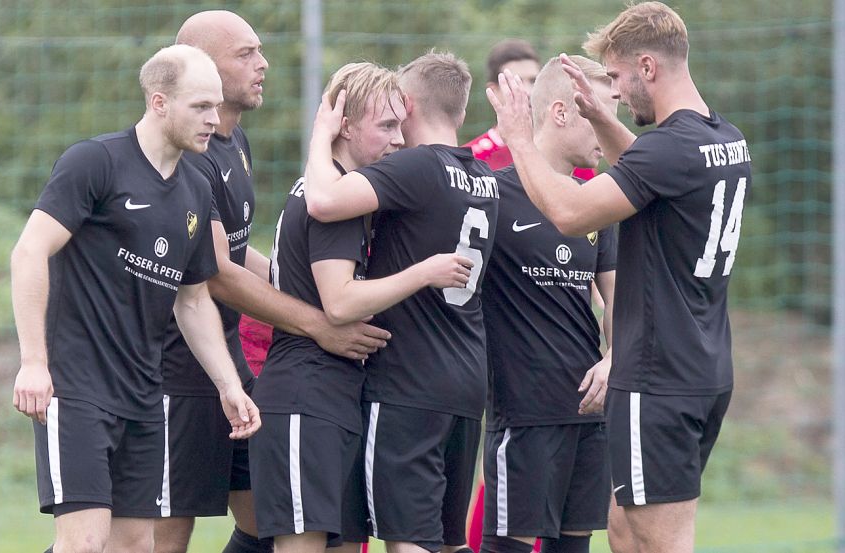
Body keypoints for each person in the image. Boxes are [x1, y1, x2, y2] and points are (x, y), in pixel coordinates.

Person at [488, 3, 752, 552]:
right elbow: (653, 173)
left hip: (657, 376)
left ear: (648, 68)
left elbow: (569, 213)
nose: (614, 90)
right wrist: (604, 119)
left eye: (615, 77)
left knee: (659, 541)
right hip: (703, 367)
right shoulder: (721, 138)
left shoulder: (669, 148)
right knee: (625, 531)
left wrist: (517, 137)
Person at [155, 11, 393, 553]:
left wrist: (312, 288)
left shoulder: (233, 143)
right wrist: (320, 324)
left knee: (268, 520)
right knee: (160, 537)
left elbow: (240, 254)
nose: (263, 64)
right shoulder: (191, 153)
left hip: (228, 362)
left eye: (259, 51)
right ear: (200, 68)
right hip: (175, 366)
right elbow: (214, 271)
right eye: (245, 54)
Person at [10, 44, 261, 553]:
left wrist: (228, 385)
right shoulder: (96, 162)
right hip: (77, 387)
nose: (214, 120)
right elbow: (29, 251)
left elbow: (192, 302)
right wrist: (34, 363)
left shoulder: (195, 187)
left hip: (146, 395)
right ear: (159, 101)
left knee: (136, 546)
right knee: (84, 542)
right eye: (200, 107)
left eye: (215, 106)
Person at [250, 61, 475, 553]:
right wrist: (425, 272)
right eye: (386, 126)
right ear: (344, 126)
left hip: (338, 394)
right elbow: (340, 302)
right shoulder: (332, 195)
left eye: (401, 124)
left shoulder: (346, 191)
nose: (398, 140)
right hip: (303, 395)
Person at [304, 51, 499, 553]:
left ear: (407, 105)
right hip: (465, 381)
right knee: (449, 540)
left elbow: (323, 202)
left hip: (408, 383)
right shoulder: (484, 180)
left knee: (407, 539)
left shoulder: (419, 166)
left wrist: (321, 136)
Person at [479, 56, 617, 553]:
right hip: (524, 413)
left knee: (573, 546)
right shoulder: (490, 196)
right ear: (561, 113)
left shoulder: (597, 199)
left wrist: (612, 358)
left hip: (589, 412)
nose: (609, 126)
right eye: (599, 112)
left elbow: (619, 305)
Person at [463, 39, 541, 171]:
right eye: (515, 82)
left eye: (534, 81)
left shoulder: (568, 155)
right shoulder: (469, 161)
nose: (528, 92)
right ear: (493, 91)